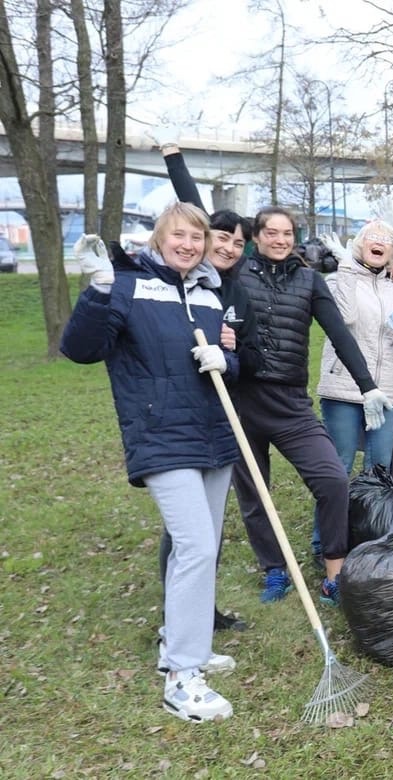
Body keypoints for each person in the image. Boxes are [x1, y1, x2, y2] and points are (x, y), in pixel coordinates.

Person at [62, 203, 241, 722]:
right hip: (161, 435)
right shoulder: (128, 285)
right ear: (159, 238)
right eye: (178, 235)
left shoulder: (208, 293)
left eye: (197, 237)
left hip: (214, 434)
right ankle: (183, 677)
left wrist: (227, 360)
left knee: (203, 548)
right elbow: (80, 349)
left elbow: (229, 361)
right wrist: (98, 290)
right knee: (196, 546)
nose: (188, 244)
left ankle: (179, 642)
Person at [231, 206, 393, 607]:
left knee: (332, 480)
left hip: (289, 402)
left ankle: (334, 573)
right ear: (256, 237)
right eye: (271, 232)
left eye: (287, 233)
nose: (280, 240)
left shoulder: (309, 281)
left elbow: (339, 334)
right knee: (254, 492)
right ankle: (274, 568)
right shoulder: (234, 273)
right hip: (240, 399)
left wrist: (368, 386)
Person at [155, 138, 256, 632]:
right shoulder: (185, 276)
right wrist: (175, 161)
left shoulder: (235, 288)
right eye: (221, 238)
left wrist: (232, 351)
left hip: (220, 412)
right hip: (179, 412)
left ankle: (201, 612)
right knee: (185, 528)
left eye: (238, 243)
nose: (228, 248)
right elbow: (192, 207)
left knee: (207, 524)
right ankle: (177, 616)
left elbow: (246, 357)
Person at [316, 222, 393, 477]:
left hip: (386, 389)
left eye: (386, 239)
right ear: (359, 244)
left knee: (380, 467)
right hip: (344, 386)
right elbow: (345, 318)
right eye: (372, 237)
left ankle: (370, 506)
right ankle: (336, 507)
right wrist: (346, 266)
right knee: (340, 466)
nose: (379, 242)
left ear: (392, 251)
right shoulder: (336, 280)